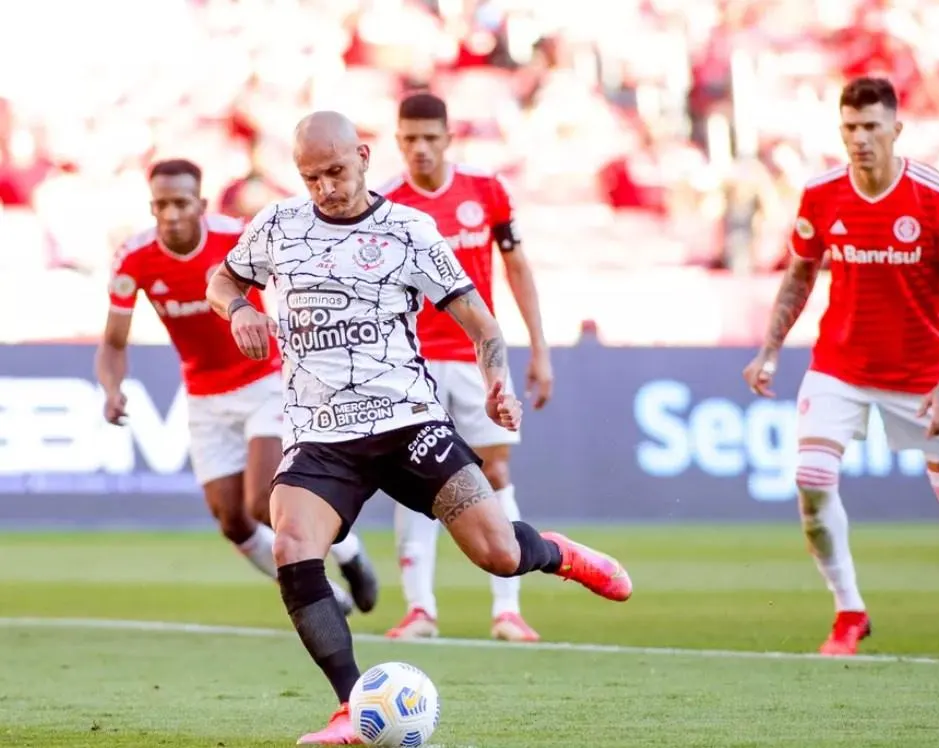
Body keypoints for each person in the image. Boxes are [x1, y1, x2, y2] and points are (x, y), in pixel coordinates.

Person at [206, 111, 632, 746]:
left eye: (336, 171)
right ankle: (352, 708)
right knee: (292, 545)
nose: (325, 187)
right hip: (321, 435)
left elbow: (482, 325)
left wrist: (499, 382)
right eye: (311, 176)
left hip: (408, 423)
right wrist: (238, 307)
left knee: (500, 553)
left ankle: (557, 552)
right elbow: (222, 279)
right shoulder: (276, 225)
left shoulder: (408, 230)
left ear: (365, 156)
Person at [742, 76, 939, 656]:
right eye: (851, 129)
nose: (860, 139)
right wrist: (769, 349)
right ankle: (849, 611)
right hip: (840, 365)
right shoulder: (822, 194)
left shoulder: (938, 195)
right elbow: (800, 274)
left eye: (871, 128)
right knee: (811, 480)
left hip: (921, 374)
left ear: (896, 130)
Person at [96, 159, 378, 615]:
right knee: (231, 521)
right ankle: (333, 600)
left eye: (181, 203)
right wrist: (111, 388)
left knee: (264, 502)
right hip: (204, 396)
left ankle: (347, 555)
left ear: (201, 204)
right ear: (152, 206)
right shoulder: (134, 258)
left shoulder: (236, 237)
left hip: (263, 380)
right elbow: (112, 342)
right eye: (162, 204)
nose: (171, 214)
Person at [376, 92, 552, 643]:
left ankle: (508, 609)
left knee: (495, 474)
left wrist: (539, 350)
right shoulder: (385, 204)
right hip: (411, 365)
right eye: (409, 139)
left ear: (449, 138)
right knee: (414, 484)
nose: (420, 148)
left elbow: (517, 267)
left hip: (478, 360)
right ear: (398, 141)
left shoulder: (486, 190)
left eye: (430, 137)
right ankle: (420, 609)